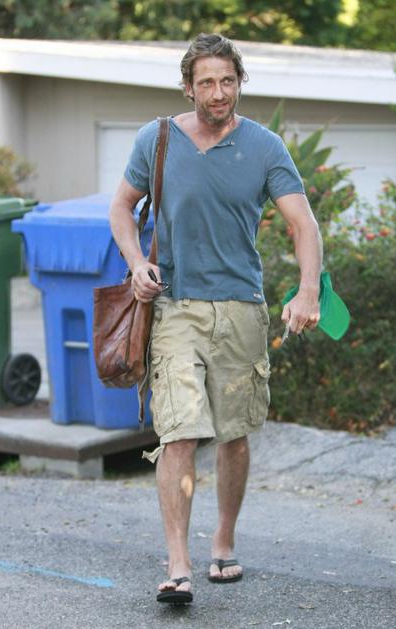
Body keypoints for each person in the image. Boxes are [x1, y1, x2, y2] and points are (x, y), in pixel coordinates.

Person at [109, 33, 322, 604]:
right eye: (207, 82)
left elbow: (303, 224)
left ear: (240, 82)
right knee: (178, 431)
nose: (219, 92)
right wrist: (136, 262)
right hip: (174, 304)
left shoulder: (265, 147)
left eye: (228, 81)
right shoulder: (156, 139)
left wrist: (307, 291)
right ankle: (178, 563)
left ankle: (223, 538)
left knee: (233, 434)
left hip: (240, 307)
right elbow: (122, 206)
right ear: (188, 87)